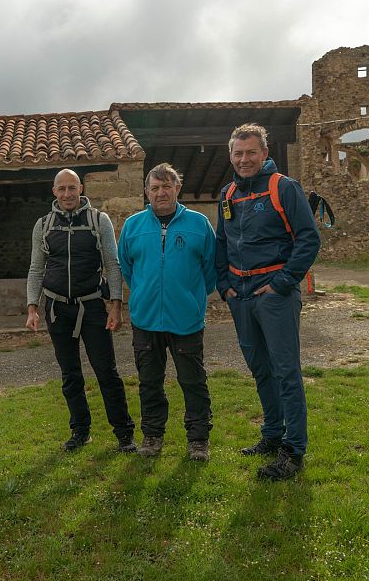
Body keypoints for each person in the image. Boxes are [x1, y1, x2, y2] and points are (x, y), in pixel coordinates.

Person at [215, 123, 321, 481]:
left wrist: (281, 284)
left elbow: (309, 239)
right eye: (238, 153)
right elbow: (221, 244)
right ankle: (272, 435)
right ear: (231, 156)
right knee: (261, 370)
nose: (244, 159)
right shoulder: (227, 194)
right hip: (240, 296)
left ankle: (294, 450)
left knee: (286, 373)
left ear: (264, 153)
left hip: (274, 295)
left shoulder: (284, 188)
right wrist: (224, 286)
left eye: (251, 153)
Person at [26, 169, 136, 452]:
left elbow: (113, 264)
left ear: (81, 189)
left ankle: (124, 435)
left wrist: (115, 305)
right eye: (61, 189)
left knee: (106, 372)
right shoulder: (43, 225)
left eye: (71, 188)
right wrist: (32, 307)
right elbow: (37, 268)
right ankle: (80, 431)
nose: (67, 194)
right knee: (70, 373)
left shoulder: (100, 220)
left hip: (92, 307)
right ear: (54, 192)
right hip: (57, 309)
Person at [118, 163, 217, 461]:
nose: (161, 192)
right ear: (146, 192)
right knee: (149, 381)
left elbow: (210, 270)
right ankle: (152, 435)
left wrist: (192, 298)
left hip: (186, 319)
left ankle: (198, 439)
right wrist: (145, 294)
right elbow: (127, 268)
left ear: (177, 188)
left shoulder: (199, 224)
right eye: (155, 187)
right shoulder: (133, 226)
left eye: (167, 186)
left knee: (193, 381)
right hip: (146, 319)